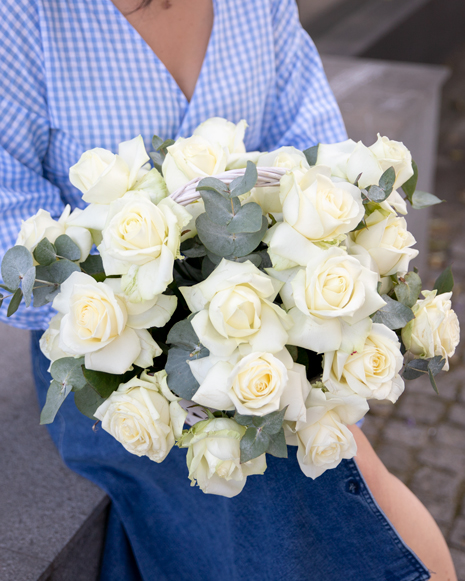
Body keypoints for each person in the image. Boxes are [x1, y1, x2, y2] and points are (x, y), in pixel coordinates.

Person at [0, 0, 457, 579]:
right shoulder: (26, 17)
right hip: (116, 359)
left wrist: (290, 294)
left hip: (274, 323)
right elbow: (6, 217)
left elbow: (313, 146)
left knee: (333, 461)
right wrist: (154, 318)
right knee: (292, 487)